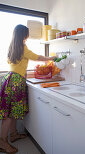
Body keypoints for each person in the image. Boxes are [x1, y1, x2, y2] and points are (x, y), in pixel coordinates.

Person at [0, 24, 56, 153]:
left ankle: (13, 134)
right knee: (9, 113)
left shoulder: (12, 47)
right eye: (27, 33)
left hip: (9, 79)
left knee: (12, 111)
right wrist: (51, 58)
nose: (28, 36)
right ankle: (2, 141)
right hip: (16, 82)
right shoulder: (22, 47)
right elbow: (38, 57)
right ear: (24, 35)